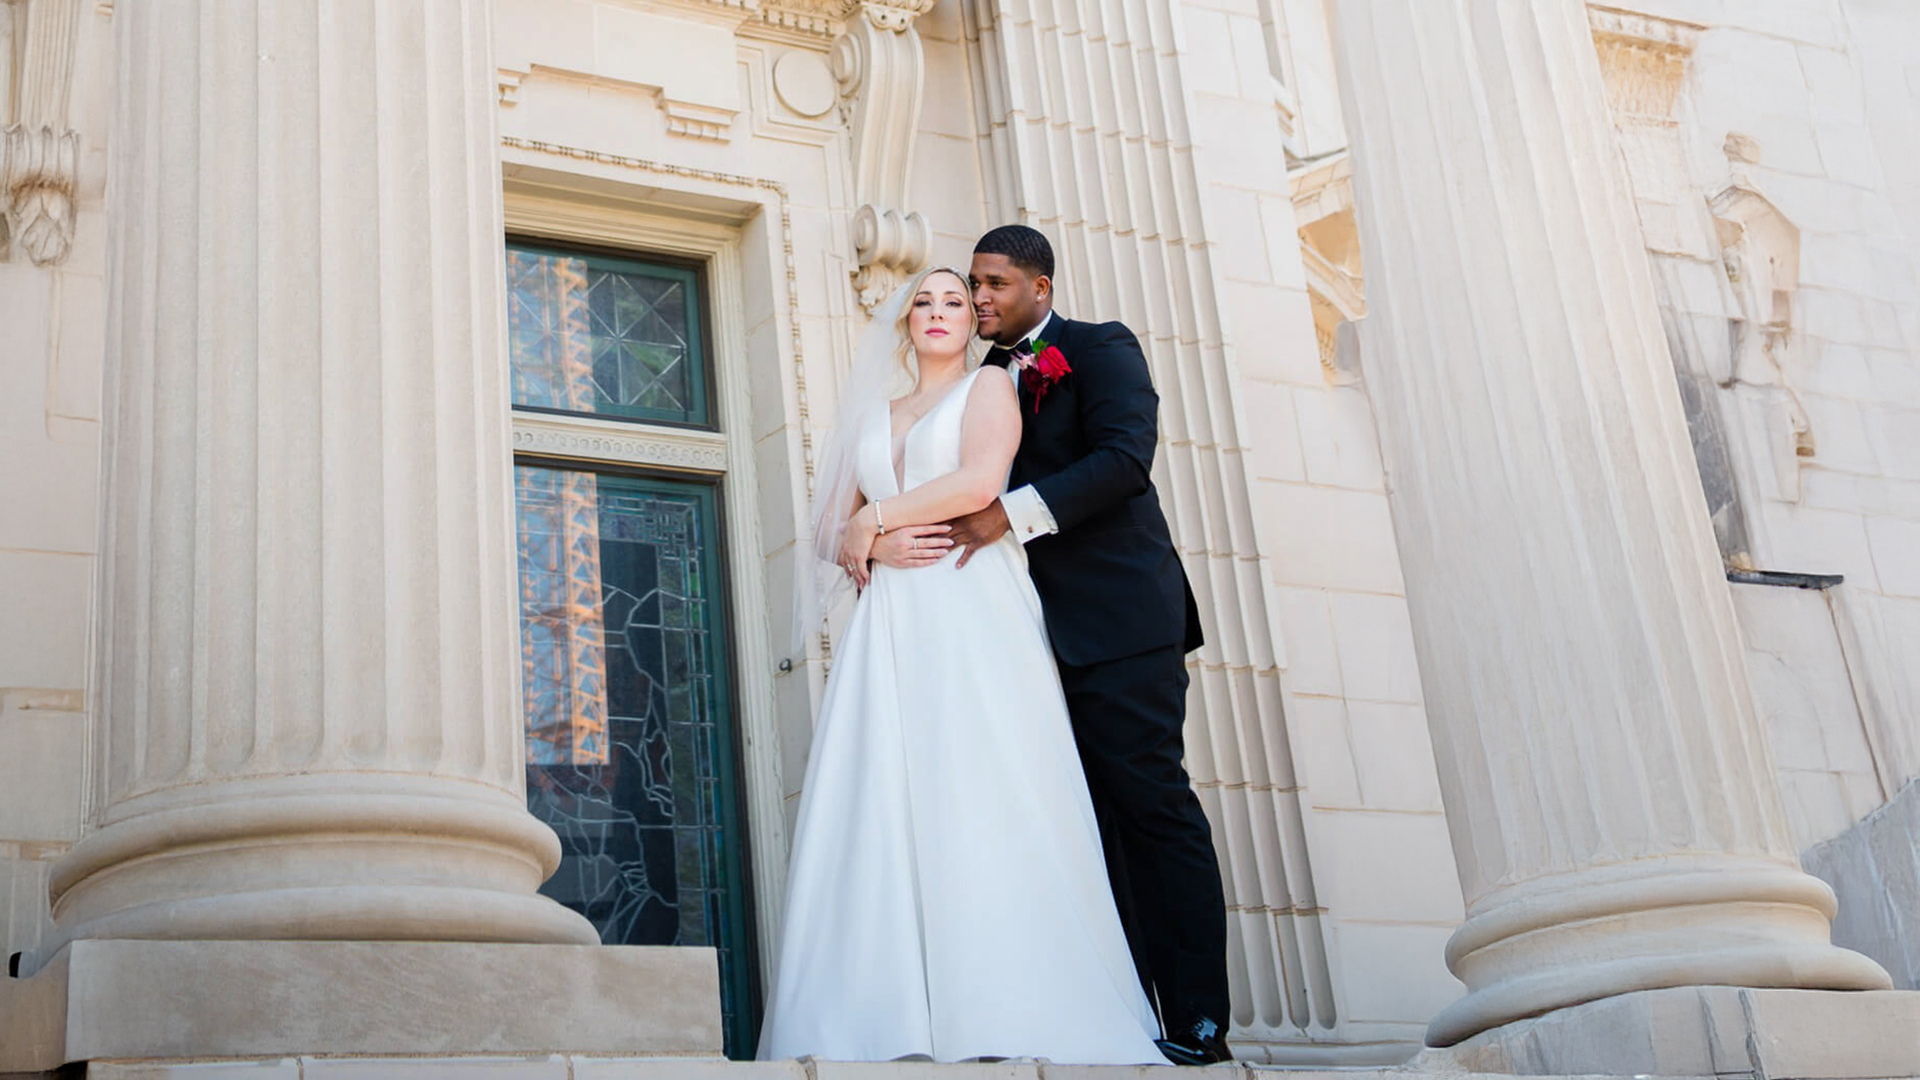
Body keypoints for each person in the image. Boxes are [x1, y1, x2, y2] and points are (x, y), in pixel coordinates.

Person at [757, 266, 1164, 1065]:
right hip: (891, 622)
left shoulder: (991, 389)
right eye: (924, 303)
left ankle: (1006, 1006)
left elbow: (978, 482)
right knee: (884, 792)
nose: (940, 313)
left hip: (969, 603)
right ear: (902, 322)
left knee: (982, 779)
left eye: (954, 301)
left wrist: (877, 516)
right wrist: (869, 537)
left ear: (973, 320)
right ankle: (881, 1017)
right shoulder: (873, 413)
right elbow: (827, 532)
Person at [869, 226, 1232, 1065]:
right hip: (1018, 637)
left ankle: (1199, 1022)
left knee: (1150, 807)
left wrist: (1008, 513)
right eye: (973, 286)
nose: (981, 299)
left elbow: (1123, 461)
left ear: (1040, 284)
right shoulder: (981, 384)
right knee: (1081, 827)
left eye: (994, 285)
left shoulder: (1099, 347)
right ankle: (1125, 1019)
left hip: (1120, 622)